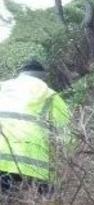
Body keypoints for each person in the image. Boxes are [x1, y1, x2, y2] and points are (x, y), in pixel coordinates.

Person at [0, 60, 70, 195]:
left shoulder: (3, 88)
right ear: (43, 77)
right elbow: (66, 134)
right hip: (34, 161)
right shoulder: (49, 95)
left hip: (1, 159)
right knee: (51, 201)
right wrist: (66, 159)